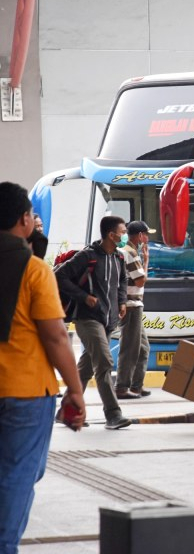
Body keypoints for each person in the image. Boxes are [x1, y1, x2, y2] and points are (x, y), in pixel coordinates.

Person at [0, 182, 86, 554]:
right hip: (26, 392)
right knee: (19, 475)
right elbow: (55, 337)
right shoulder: (34, 270)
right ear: (23, 219)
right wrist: (76, 389)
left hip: (24, 393)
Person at [55, 216, 131, 430]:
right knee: (105, 363)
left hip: (109, 319)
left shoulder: (119, 257)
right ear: (111, 234)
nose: (124, 235)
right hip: (88, 319)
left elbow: (123, 280)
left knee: (86, 369)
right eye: (122, 231)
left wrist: (122, 301)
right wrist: (83, 296)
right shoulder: (88, 256)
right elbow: (60, 275)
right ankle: (113, 414)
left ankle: (66, 411)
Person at [115, 220, 153, 400]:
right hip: (131, 306)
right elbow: (140, 281)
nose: (147, 238)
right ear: (139, 236)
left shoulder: (130, 252)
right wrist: (146, 262)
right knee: (130, 347)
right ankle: (122, 387)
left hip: (134, 305)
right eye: (146, 234)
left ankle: (136, 385)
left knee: (143, 348)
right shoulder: (130, 253)